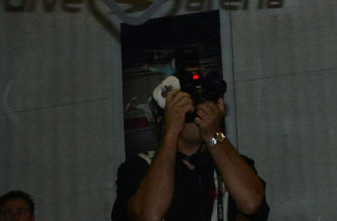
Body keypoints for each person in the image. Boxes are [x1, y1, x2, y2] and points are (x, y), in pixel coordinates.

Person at [112, 71, 269, 221]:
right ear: (161, 119)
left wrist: (214, 134)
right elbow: (149, 215)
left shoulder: (230, 162)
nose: (195, 111)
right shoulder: (139, 167)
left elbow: (252, 203)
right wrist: (171, 132)